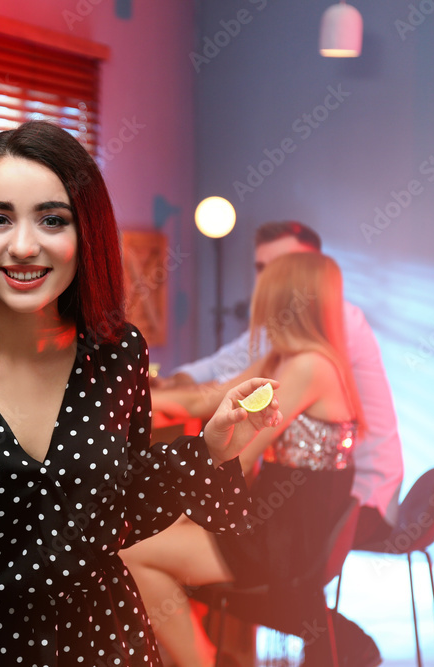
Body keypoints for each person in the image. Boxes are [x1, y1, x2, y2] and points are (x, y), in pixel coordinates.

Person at [0, 120, 281, 666]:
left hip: (109, 642)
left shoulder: (117, 352)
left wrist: (213, 449)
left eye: (52, 220)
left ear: (87, 232)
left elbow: (125, 500)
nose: (22, 246)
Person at [122, 252, 374, 667]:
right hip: (265, 520)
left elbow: (238, 451)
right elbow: (207, 396)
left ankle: (204, 662)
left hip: (282, 537)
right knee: (136, 545)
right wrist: (126, 396)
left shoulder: (311, 366)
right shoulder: (283, 359)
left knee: (130, 552)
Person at [155, 221, 403, 547]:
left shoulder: (326, 332)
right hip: (301, 497)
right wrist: (148, 388)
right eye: (262, 268)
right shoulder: (285, 342)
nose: (269, 278)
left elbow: (240, 451)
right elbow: (220, 372)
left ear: (309, 271)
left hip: (356, 498)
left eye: (283, 268)